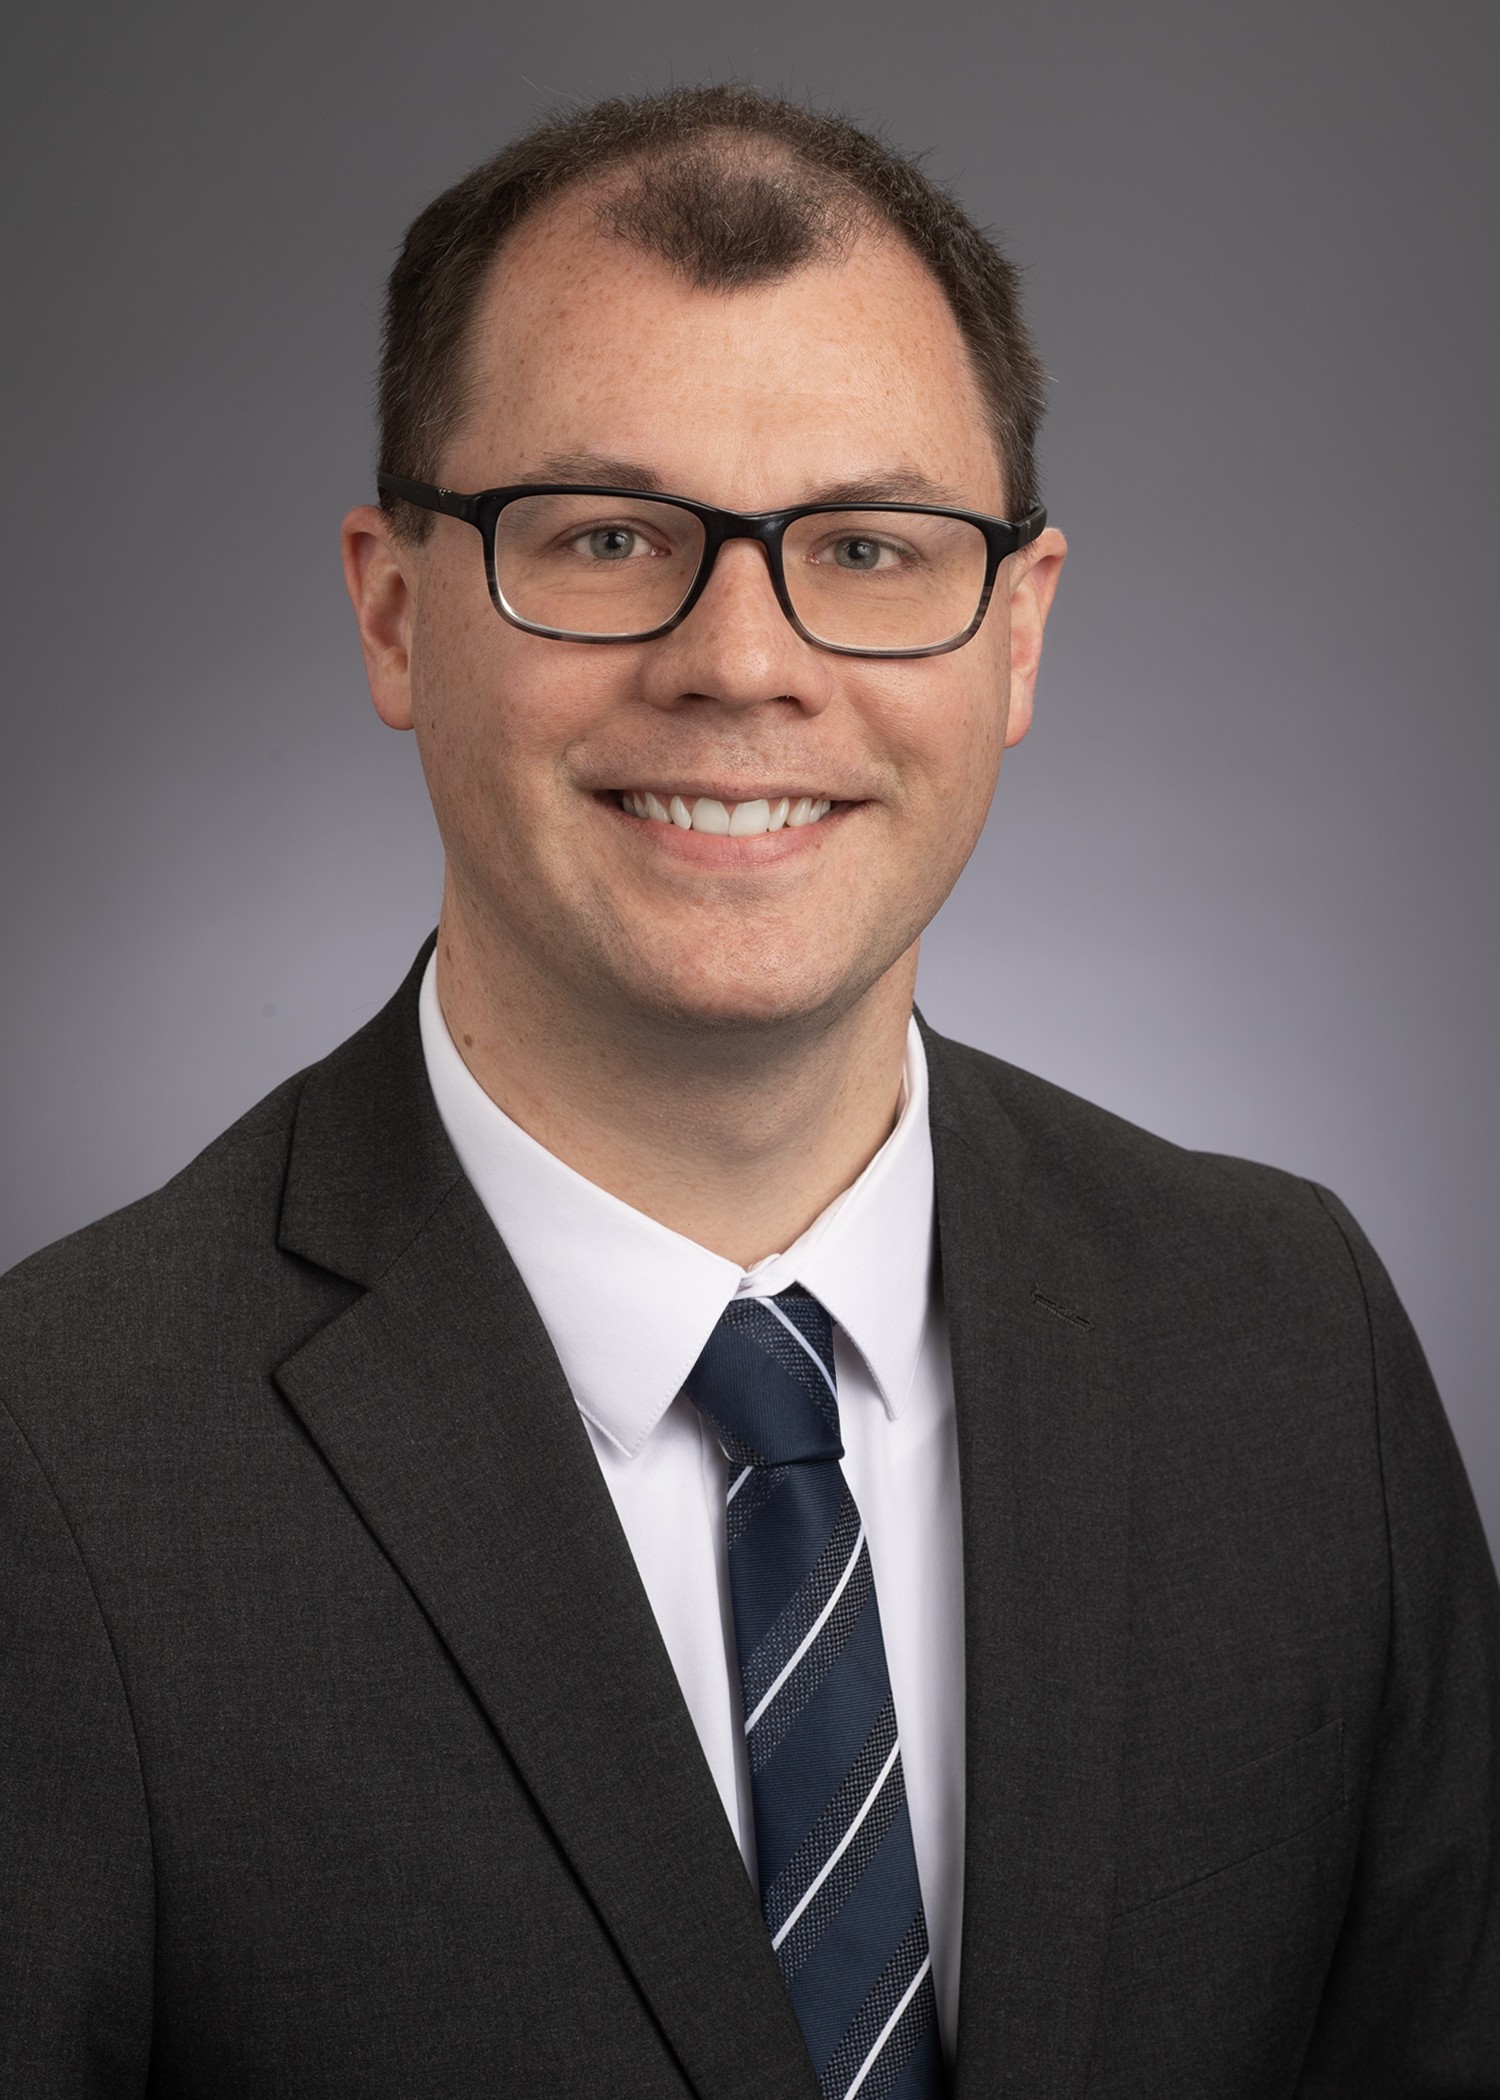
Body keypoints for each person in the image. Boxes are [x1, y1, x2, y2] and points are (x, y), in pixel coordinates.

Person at [2, 81, 1497, 2099]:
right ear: (393, 608)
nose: (742, 659)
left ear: (1018, 633)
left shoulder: (1287, 1339)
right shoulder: (57, 1465)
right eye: (607, 535)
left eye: (869, 548)